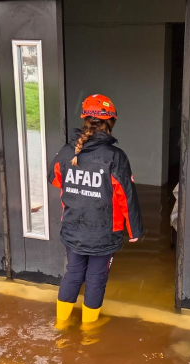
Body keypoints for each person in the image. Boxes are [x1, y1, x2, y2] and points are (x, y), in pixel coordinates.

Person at [48, 94, 143, 326]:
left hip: (73, 229)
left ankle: (60, 324)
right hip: (103, 233)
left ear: (85, 120)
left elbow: (55, 179)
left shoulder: (66, 151)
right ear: (110, 122)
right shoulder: (115, 157)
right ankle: (89, 332)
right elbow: (125, 196)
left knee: (72, 274)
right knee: (95, 279)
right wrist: (134, 231)